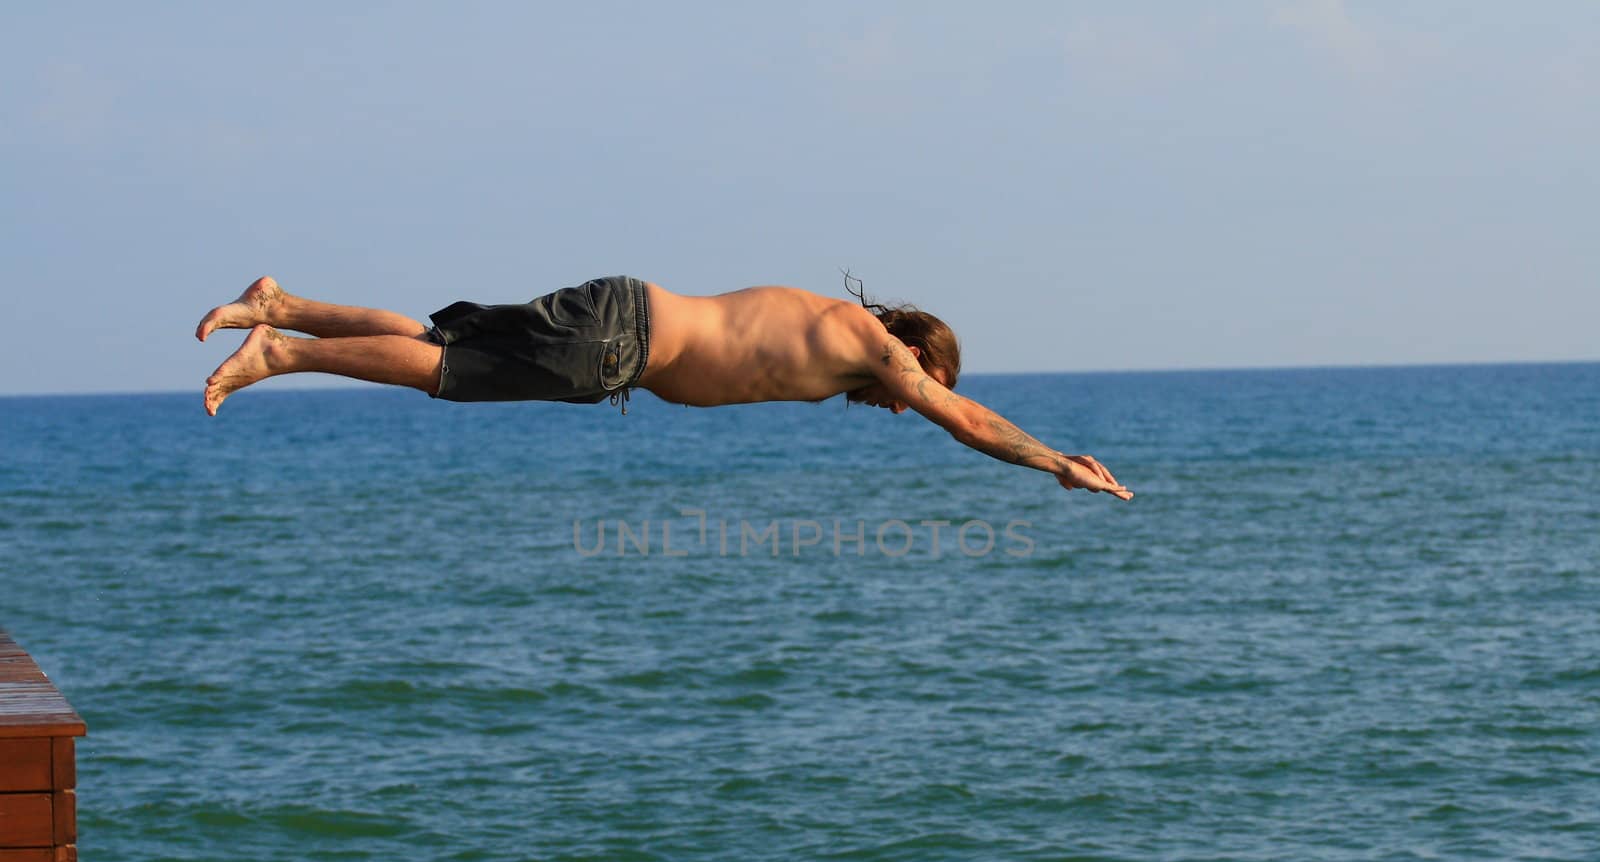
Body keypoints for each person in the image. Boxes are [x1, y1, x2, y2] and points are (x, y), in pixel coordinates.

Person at [197, 275, 1131, 499]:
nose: (903, 404)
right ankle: (280, 352)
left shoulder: (838, 332)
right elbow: (960, 418)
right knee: (447, 372)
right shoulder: (874, 344)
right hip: (618, 345)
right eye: (919, 384)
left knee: (443, 339)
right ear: (918, 357)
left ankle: (282, 302)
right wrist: (1054, 462)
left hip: (621, 326)